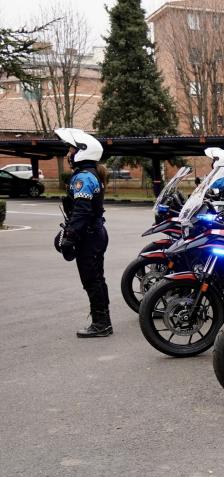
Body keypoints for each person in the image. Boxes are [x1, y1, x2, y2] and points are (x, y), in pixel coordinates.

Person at [56, 128, 113, 338]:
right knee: (97, 277)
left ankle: (101, 323)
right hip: (94, 233)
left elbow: (82, 210)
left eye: (70, 150)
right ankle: (102, 319)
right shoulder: (89, 174)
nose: (67, 155)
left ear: (82, 151)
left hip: (89, 236)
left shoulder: (83, 177)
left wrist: (70, 236)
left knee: (92, 279)